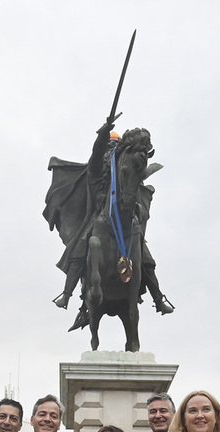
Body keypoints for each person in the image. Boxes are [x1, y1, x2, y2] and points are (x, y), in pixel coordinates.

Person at [46, 121, 173, 330]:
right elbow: (96, 156)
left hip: (127, 219)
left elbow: (135, 188)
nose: (111, 149)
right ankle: (67, 294)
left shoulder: (129, 167)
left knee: (147, 259)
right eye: (110, 145)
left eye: (115, 145)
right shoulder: (98, 171)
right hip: (100, 219)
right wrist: (102, 135)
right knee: (82, 246)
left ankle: (158, 298)